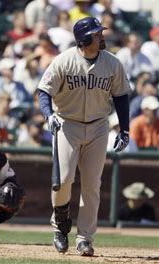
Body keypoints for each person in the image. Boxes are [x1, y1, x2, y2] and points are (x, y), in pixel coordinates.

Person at [38, 16, 130, 256]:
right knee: (64, 180)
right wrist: (49, 115)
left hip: (99, 126)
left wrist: (125, 128)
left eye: (100, 32)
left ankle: (84, 238)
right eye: (97, 33)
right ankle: (60, 225)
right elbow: (43, 91)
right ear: (83, 38)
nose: (101, 36)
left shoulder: (113, 63)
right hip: (67, 124)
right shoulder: (64, 61)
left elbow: (121, 96)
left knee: (92, 185)